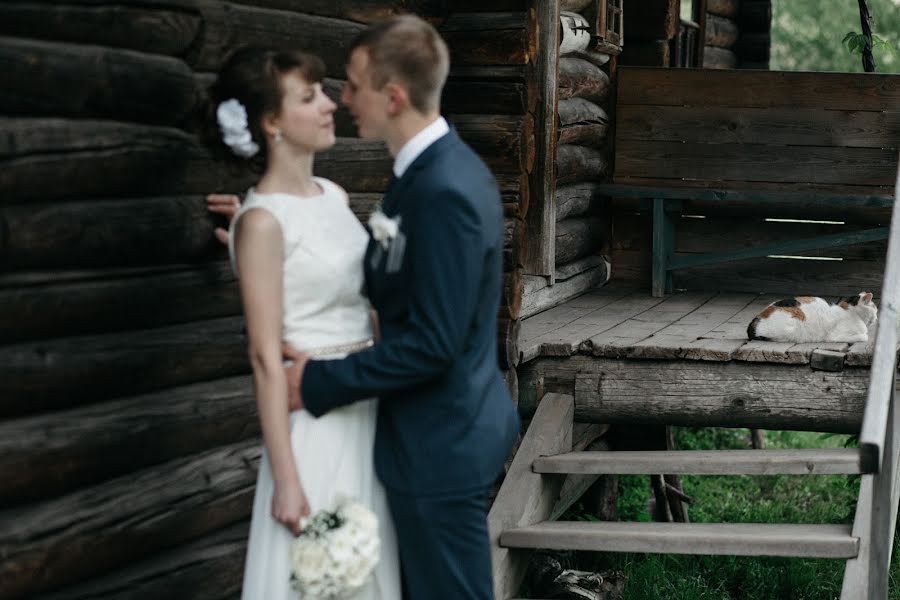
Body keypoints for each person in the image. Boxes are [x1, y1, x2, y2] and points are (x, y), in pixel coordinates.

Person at [284, 15, 520, 600]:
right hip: (434, 432)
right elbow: (400, 279)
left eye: (353, 84)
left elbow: (434, 345)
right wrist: (268, 232)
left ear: (392, 97)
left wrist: (316, 382)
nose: (344, 98)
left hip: (442, 442)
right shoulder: (425, 173)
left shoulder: (444, 191)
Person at [204, 46, 401, 600]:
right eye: (309, 96)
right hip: (314, 424)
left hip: (365, 408)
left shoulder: (335, 197)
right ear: (271, 122)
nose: (328, 105)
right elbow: (266, 357)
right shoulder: (262, 222)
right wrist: (287, 481)